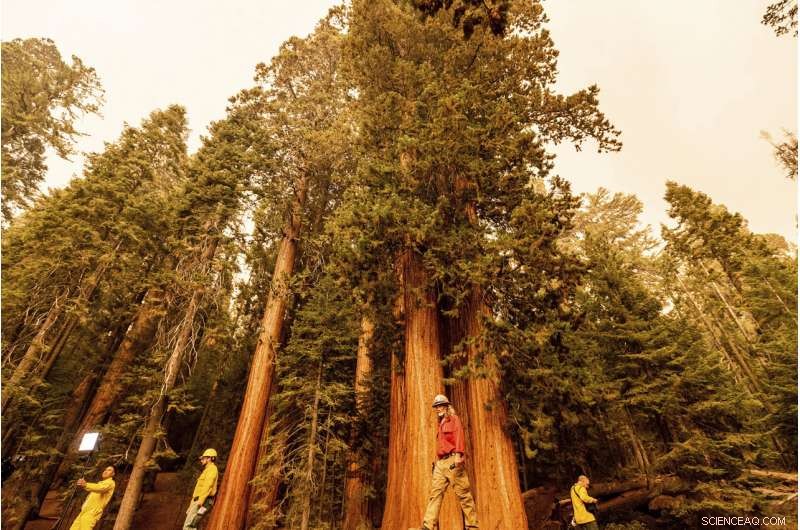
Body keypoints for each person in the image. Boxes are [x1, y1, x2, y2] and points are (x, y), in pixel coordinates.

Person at [421, 394, 479, 530]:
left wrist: (459, 455)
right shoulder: (440, 423)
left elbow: (459, 435)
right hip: (441, 463)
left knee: (464, 495)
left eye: (440, 405)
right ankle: (427, 526)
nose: (438, 408)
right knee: (435, 493)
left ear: (447, 406)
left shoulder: (454, 419)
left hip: (453, 460)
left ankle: (472, 526)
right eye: (436, 406)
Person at [69, 465, 116, 530]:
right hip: (83, 512)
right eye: (105, 469)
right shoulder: (100, 483)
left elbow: (100, 488)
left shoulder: (110, 483)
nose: (105, 471)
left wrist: (86, 484)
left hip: (92, 513)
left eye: (109, 470)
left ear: (113, 474)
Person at [183, 448, 219, 530]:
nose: (201, 460)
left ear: (210, 458)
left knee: (188, 526)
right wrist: (191, 504)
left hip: (204, 501)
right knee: (191, 525)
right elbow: (199, 490)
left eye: (203, 458)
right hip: (198, 500)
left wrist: (201, 501)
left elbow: (208, 486)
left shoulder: (212, 469)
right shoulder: (207, 470)